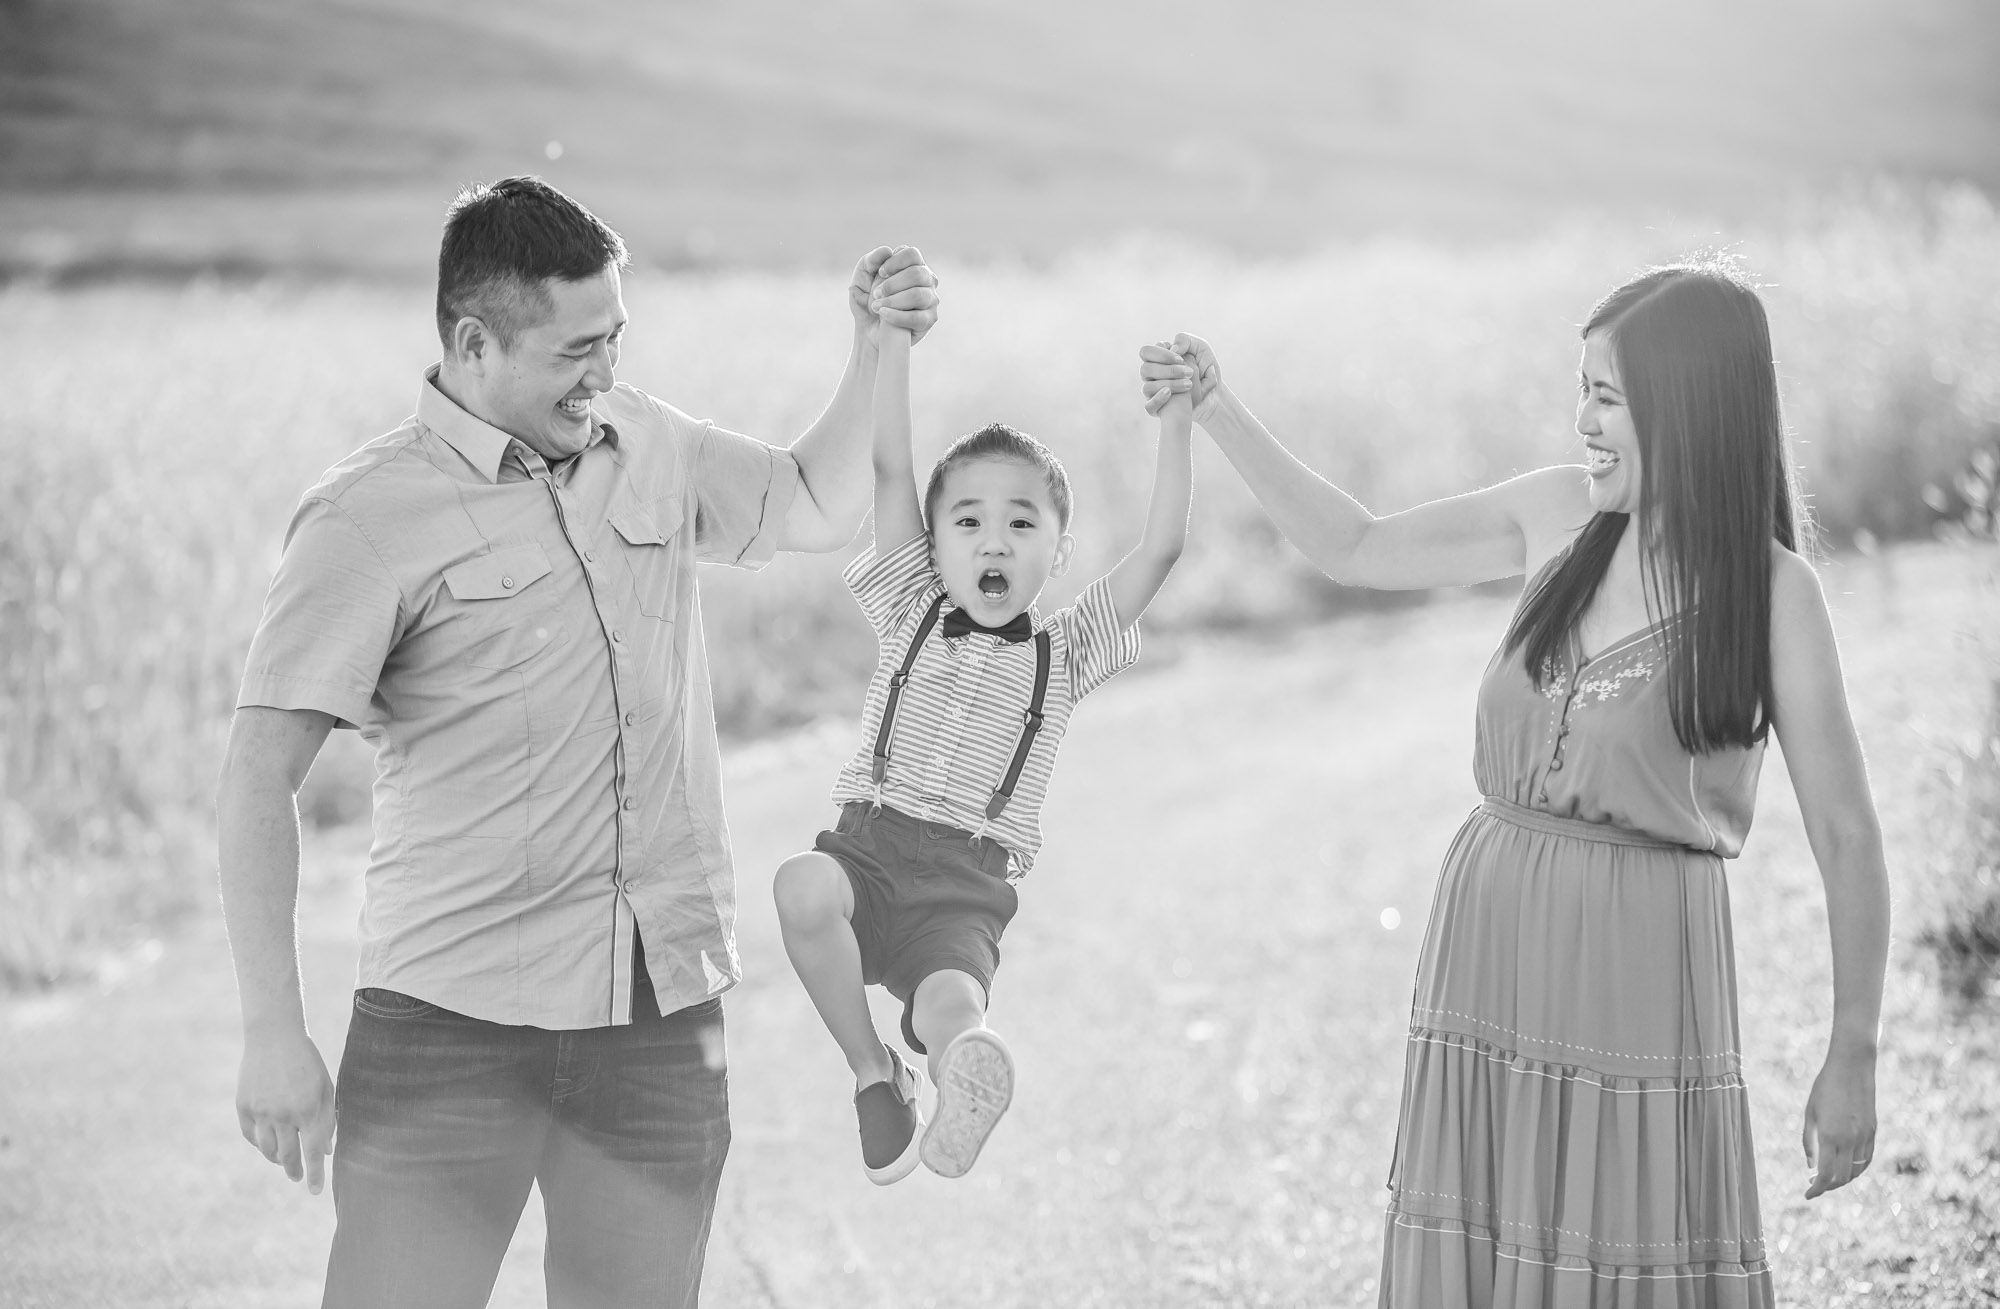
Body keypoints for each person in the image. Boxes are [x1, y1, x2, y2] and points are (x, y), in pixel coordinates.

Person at [215, 175, 938, 1308]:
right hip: (446, 1035)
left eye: (615, 338)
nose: (604, 374)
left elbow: (810, 503)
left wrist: (874, 348)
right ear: (472, 342)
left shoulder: (646, 441)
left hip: (657, 1024)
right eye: (572, 350)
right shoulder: (364, 519)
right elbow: (259, 778)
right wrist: (272, 1032)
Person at [1139, 262, 1889, 1306]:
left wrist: (1850, 1049)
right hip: (1488, 950)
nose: (1582, 421)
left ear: (1691, 410)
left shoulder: (1771, 595)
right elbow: (1351, 545)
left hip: (1637, 973)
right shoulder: (1554, 516)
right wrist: (1218, 409)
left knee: (1619, 1255)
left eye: (1609, 397)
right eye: (1579, 388)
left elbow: (1846, 835)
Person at [771, 324, 1194, 1184]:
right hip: (868, 853)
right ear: (934, 545)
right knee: (799, 886)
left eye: (1020, 522)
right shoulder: (909, 607)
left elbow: (1160, 549)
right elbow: (894, 470)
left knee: (955, 1009)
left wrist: (1178, 417)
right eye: (968, 521)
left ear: (1059, 551)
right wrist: (891, 345)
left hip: (962, 889)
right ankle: (873, 1071)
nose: (993, 541)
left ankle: (962, 1073)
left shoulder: (1066, 654)